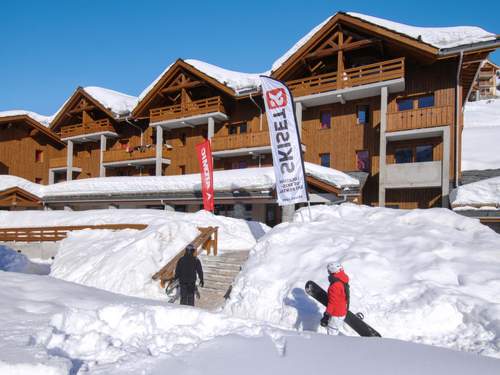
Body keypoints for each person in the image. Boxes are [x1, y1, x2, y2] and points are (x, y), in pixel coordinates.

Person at [320, 262, 349, 335]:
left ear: (333, 271)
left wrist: (326, 316)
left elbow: (332, 303)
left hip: (336, 313)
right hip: (342, 310)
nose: (328, 272)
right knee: (334, 331)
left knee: (332, 334)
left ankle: (332, 346)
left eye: (329, 271)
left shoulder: (335, 285)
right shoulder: (343, 278)